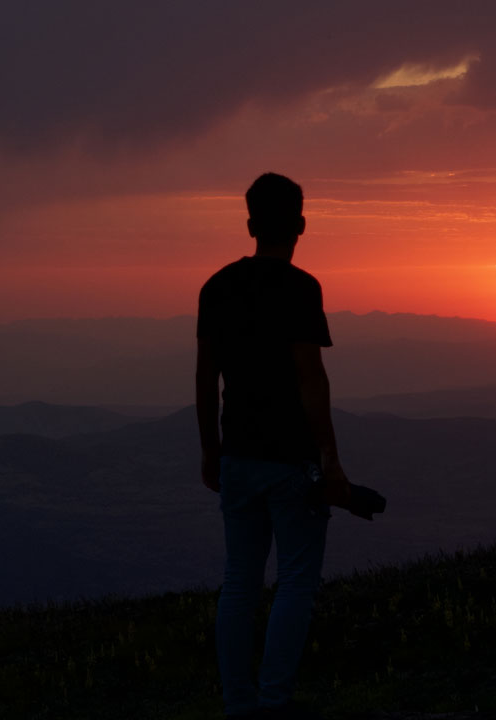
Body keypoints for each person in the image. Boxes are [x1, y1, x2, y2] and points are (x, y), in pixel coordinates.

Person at [196, 172, 352, 719]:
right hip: (292, 460)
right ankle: (274, 701)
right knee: (296, 582)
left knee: (239, 582)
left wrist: (210, 450)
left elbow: (205, 377)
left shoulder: (216, 287)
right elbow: (311, 378)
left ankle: (239, 705)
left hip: (237, 455)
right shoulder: (301, 289)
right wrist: (331, 461)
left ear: (250, 224)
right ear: (301, 225)